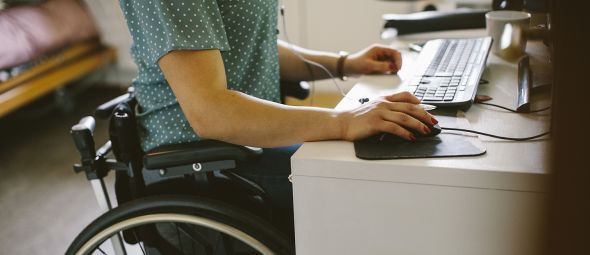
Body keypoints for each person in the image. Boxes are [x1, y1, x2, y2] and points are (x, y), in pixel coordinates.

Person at [118, 0, 437, 235]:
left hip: (251, 143)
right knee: (376, 181)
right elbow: (210, 114)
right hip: (203, 162)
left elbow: (254, 48)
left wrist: (345, 64)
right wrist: (343, 122)